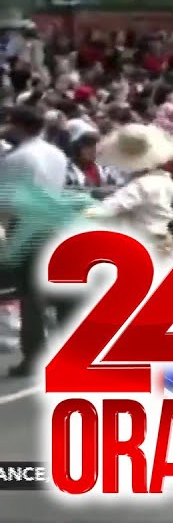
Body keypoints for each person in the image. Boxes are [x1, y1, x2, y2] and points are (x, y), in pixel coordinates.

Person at [0, 105, 71, 378]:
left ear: (18, 125)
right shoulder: (57, 153)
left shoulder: (16, 158)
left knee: (31, 295)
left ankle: (34, 357)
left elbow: (5, 202)